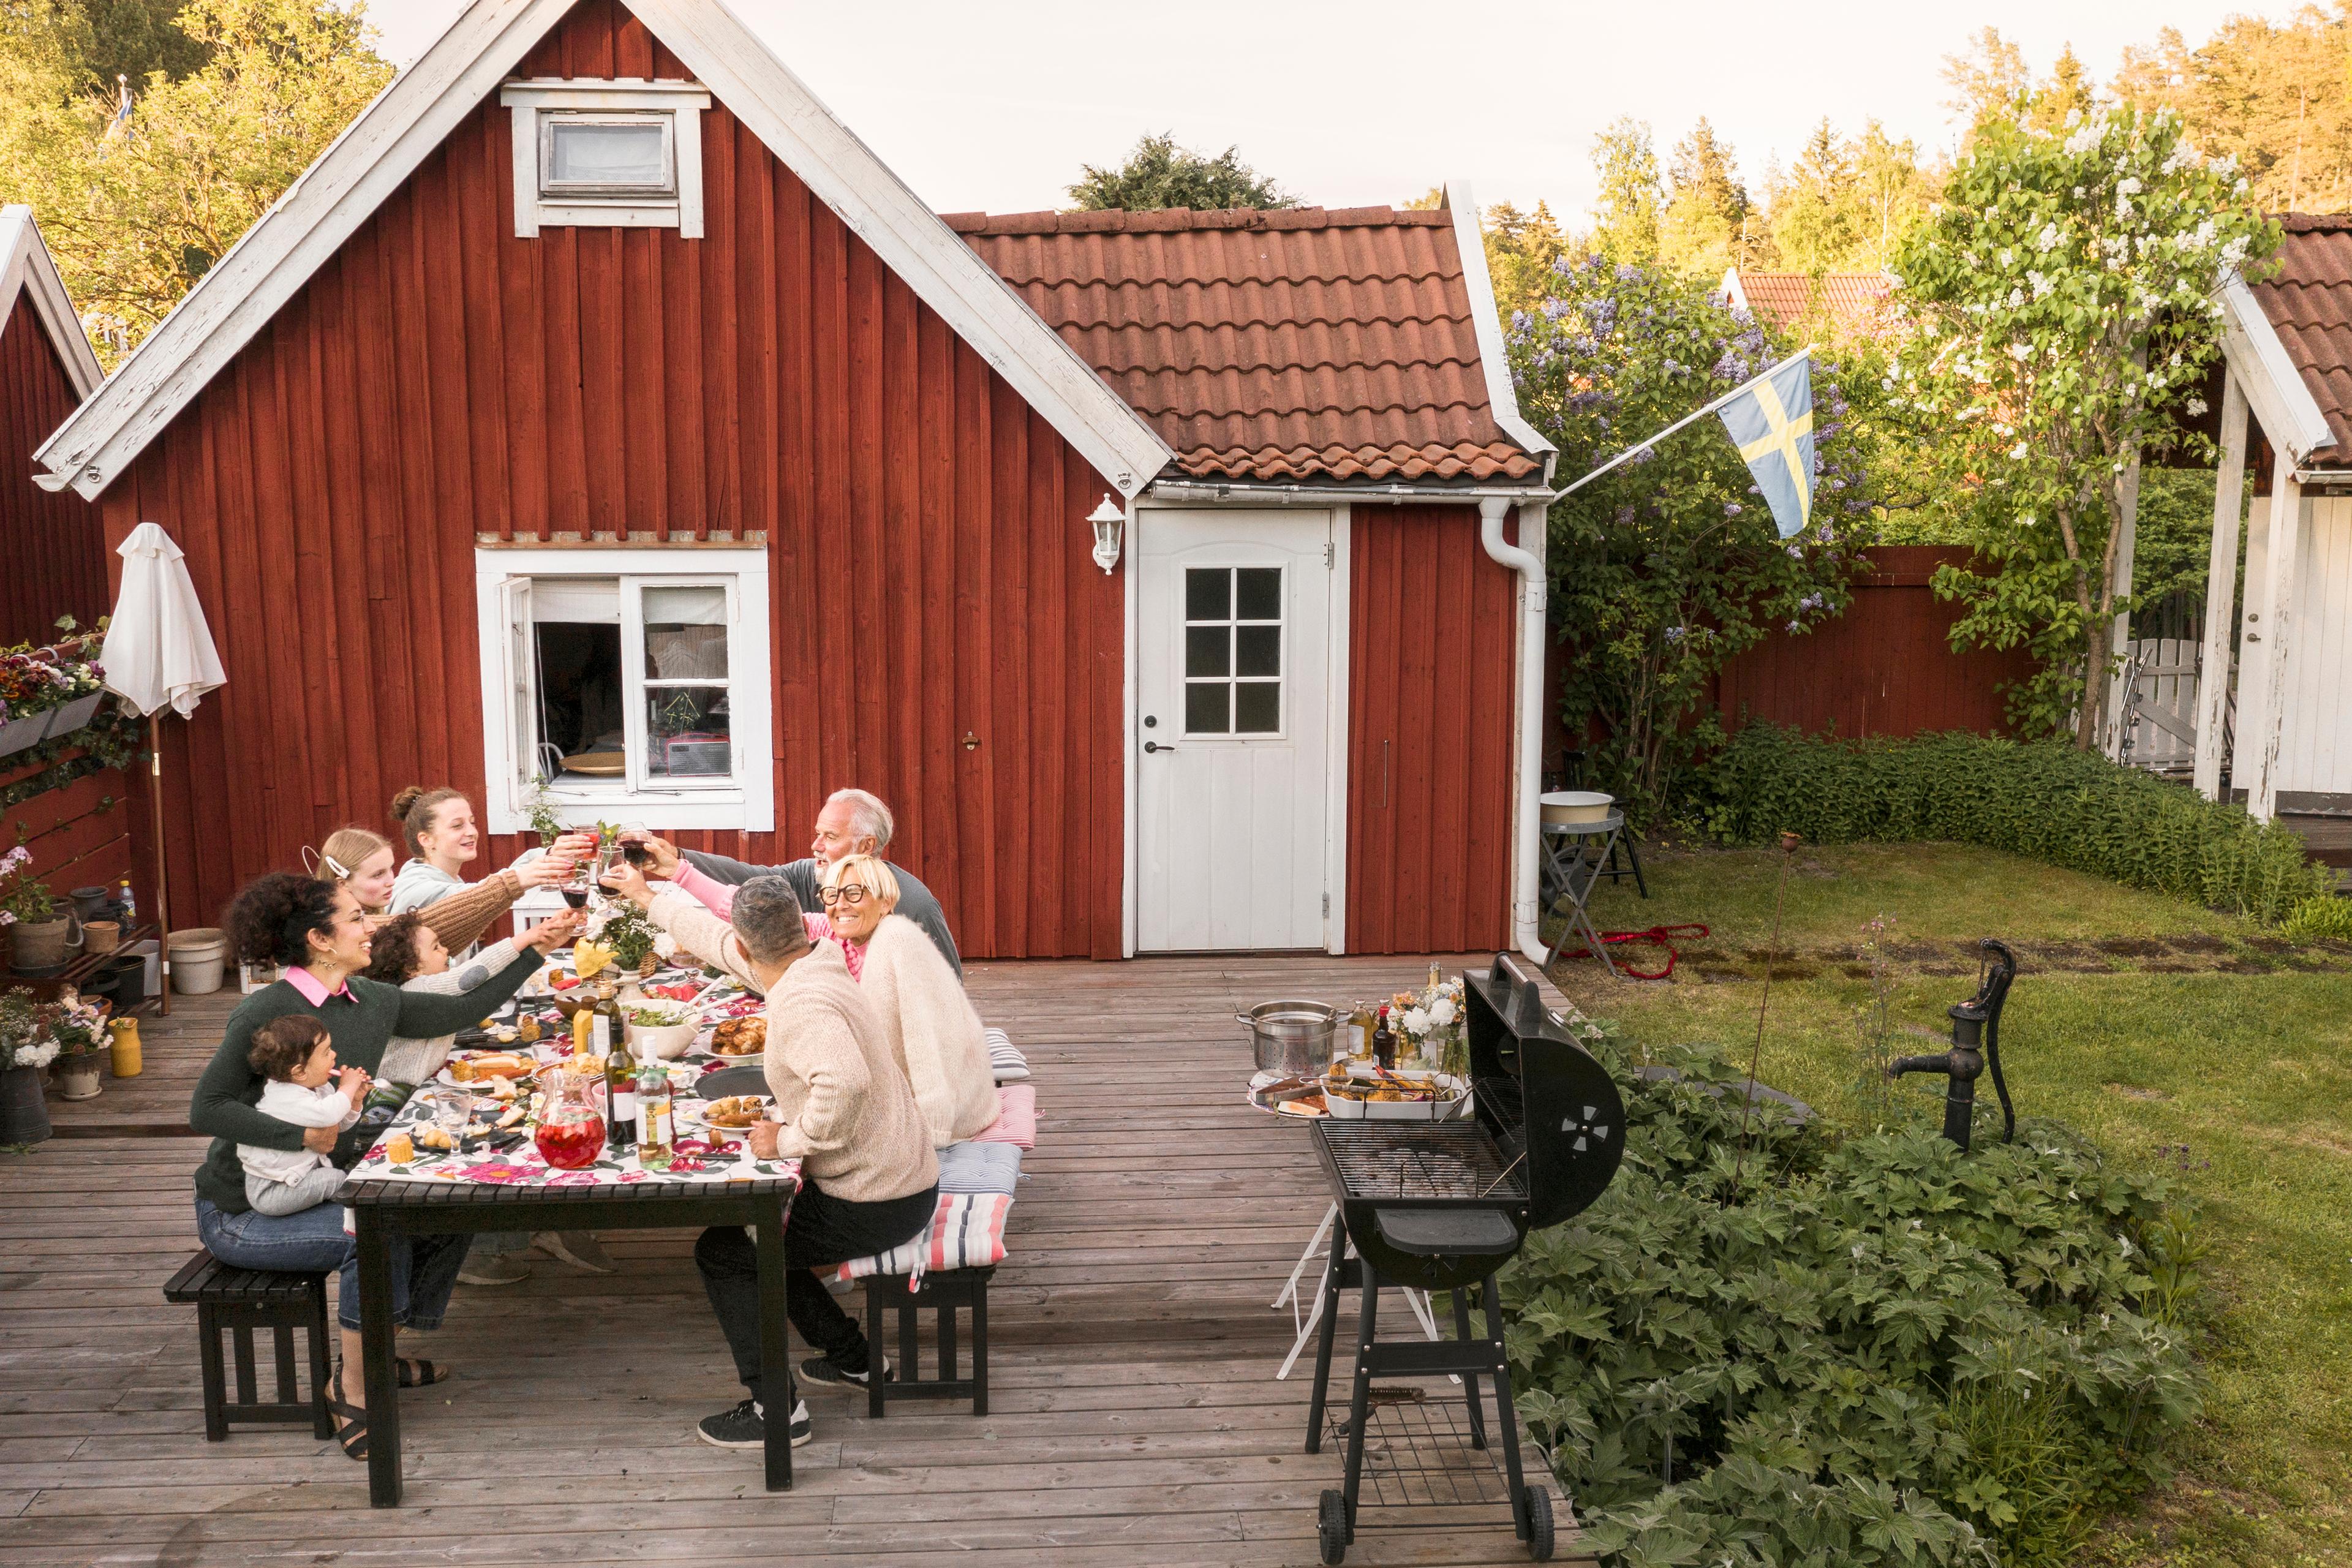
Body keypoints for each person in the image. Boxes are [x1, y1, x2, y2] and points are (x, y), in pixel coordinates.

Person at [190, 872, 549, 1460]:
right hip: (247, 1208)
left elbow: (460, 1007)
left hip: (321, 1188)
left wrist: (536, 950)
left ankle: (374, 1349)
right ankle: (354, 1387)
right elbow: (207, 1108)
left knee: (447, 1212)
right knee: (380, 1234)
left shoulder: (370, 1000)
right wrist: (304, 1132)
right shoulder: (268, 1010)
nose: (372, 926)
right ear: (320, 940)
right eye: (356, 917)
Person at [605, 868, 938, 1451]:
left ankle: (776, 1410)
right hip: (900, 1177)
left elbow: (846, 1083)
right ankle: (856, 1360)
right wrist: (643, 895)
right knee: (763, 1241)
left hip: (879, 1196)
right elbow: (715, 940)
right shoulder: (812, 959)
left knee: (726, 1250)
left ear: (745, 944)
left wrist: (785, 1140)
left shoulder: (802, 1003)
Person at [358, 908, 603, 1286]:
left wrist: (536, 952)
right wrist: (525, 939)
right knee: (483, 1140)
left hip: (419, 1089)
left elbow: (475, 990)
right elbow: (470, 978)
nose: (447, 953)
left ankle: (522, 1230)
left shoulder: (418, 988)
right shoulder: (418, 990)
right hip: (394, 1103)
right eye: (437, 947)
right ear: (411, 969)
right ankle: (480, 1249)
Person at [655, 789, 962, 976]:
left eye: (830, 837)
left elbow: (950, 986)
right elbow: (747, 885)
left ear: (867, 846)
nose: (816, 845)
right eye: (818, 833)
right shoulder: (812, 878)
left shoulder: (914, 904)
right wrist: (680, 859)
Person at [816, 855, 997, 1148]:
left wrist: (933, 1130)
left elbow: (923, 1039)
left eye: (854, 893)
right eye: (832, 895)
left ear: (886, 902)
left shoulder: (896, 940)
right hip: (916, 1097)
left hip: (950, 1108)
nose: (840, 905)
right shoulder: (856, 943)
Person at [382, 786, 589, 953]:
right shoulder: (415, 887)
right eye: (457, 826)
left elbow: (485, 891)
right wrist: (528, 872)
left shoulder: (443, 878)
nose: (471, 832)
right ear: (426, 840)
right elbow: (477, 896)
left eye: (472, 823)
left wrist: (549, 854)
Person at [237, 1017, 368, 1217]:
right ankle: (359, 1216)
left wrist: (354, 1101)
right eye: (326, 1053)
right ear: (299, 1072)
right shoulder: (285, 1098)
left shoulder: (318, 1088)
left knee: (333, 1179)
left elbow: (336, 1122)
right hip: (272, 1190)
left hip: (296, 1178)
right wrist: (348, 1087)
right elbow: (329, 1114)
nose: (334, 1055)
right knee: (336, 1180)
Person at [307, 827, 398, 927]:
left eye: (391, 868)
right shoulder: (343, 936)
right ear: (342, 884)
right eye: (378, 875)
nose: (391, 882)